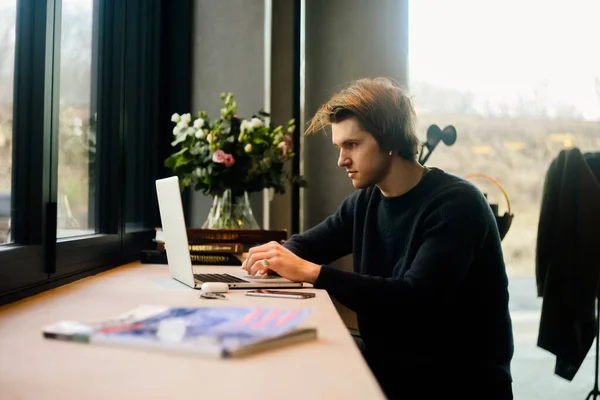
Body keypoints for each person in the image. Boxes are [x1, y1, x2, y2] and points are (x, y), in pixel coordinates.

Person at [241, 77, 514, 399]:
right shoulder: (367, 201)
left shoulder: (457, 205)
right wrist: (277, 255)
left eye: (352, 145)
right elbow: (308, 245)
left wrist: (311, 272)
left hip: (456, 381)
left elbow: (414, 299)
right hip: (394, 367)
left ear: (390, 141)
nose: (341, 160)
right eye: (339, 147)